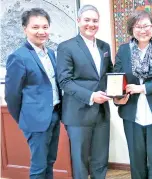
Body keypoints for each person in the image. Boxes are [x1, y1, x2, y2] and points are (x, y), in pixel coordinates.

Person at [113, 10, 152, 179]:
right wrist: (117, 98)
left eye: (146, 26)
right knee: (136, 159)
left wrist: (142, 88)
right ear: (132, 29)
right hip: (132, 112)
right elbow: (116, 78)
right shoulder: (124, 50)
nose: (143, 30)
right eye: (138, 26)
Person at [56, 5, 113, 179]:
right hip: (78, 113)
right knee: (80, 162)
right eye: (87, 20)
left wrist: (119, 91)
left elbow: (109, 75)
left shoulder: (104, 46)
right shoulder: (66, 47)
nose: (91, 24)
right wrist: (91, 96)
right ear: (78, 21)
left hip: (102, 113)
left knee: (100, 159)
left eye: (95, 20)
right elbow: (65, 81)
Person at [5, 8, 61, 179]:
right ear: (25, 29)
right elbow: (11, 95)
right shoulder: (18, 57)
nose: (41, 32)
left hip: (54, 115)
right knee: (38, 167)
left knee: (50, 162)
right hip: (35, 121)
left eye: (45, 27)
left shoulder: (50, 53)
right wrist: (25, 120)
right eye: (35, 27)